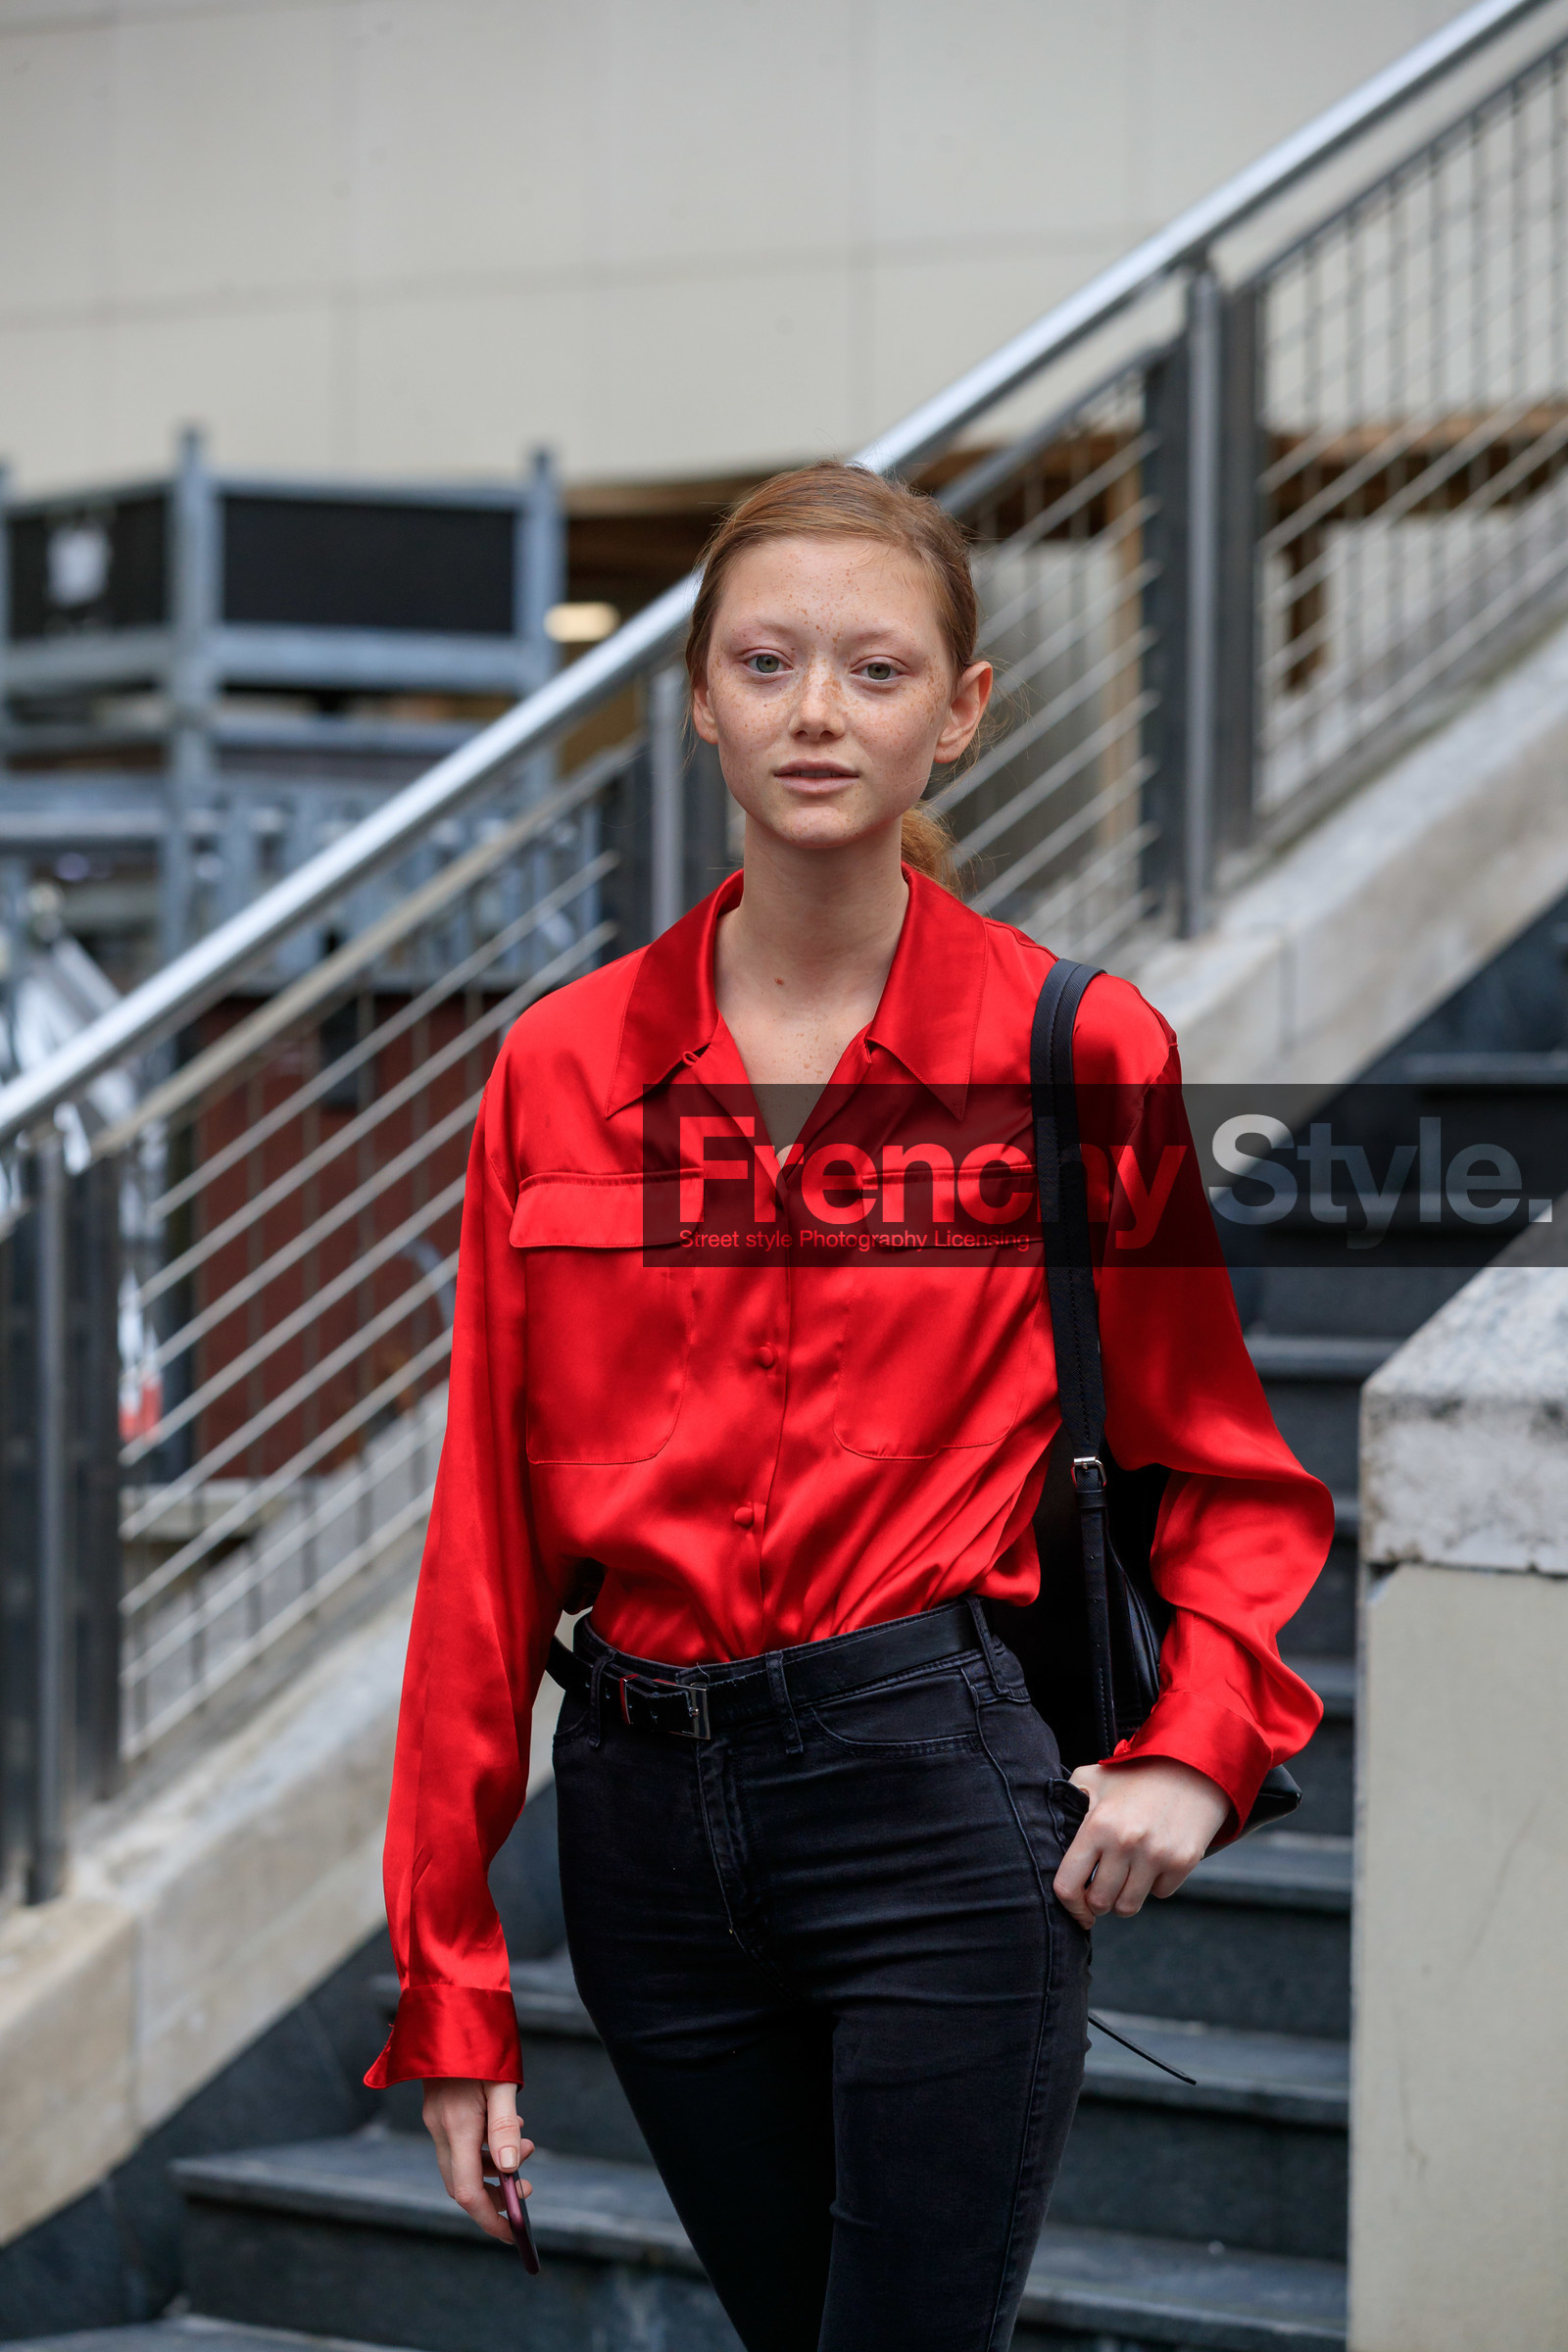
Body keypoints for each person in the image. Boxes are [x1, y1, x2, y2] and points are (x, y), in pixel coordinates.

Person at [366, 464, 1331, 2352]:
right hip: (641, 1831)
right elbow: (481, 1553)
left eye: (876, 669)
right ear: (704, 700)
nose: (820, 712)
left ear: (958, 713)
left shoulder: (1078, 1051)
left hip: (935, 1804)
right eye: (770, 663)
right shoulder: (557, 1070)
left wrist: (1198, 1742)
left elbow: (1226, 1462)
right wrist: (453, 1989)